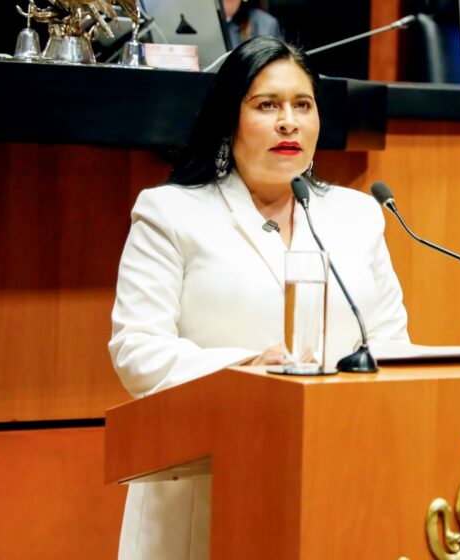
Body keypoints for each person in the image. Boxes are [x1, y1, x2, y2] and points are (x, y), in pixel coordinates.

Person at [108, 37, 409, 559]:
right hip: (206, 491)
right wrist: (248, 368)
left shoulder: (358, 216)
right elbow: (137, 350)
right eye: (267, 105)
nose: (288, 122)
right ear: (230, 120)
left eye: (302, 105)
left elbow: (391, 345)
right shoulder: (169, 213)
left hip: (334, 483)